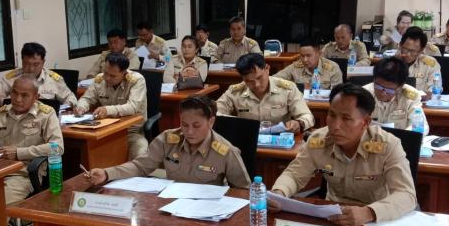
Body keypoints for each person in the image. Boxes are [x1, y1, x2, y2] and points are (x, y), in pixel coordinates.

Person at [270, 83, 417, 226]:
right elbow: (294, 175)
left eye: (346, 118)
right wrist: (279, 193)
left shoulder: (388, 145)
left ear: (365, 122)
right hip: (333, 215)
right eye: (332, 115)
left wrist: (369, 213)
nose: (335, 126)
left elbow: (406, 195)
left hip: (376, 220)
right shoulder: (318, 140)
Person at [85, 96, 251, 188]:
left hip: (208, 212)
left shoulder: (225, 151)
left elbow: (243, 191)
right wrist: (107, 173)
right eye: (184, 124)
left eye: (196, 126)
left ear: (211, 122)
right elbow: (140, 166)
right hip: (172, 205)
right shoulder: (168, 139)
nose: (189, 132)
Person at [0, 76, 64, 204]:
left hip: (24, 174)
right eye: (14, 93)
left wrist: (19, 152)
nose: (17, 99)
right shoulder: (1, 113)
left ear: (36, 97)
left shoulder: (46, 115)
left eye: (24, 95)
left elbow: (57, 147)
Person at [216, 53, 314, 134]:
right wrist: (233, 122)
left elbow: (307, 116)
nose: (257, 85)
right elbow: (214, 112)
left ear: (267, 68)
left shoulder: (288, 89)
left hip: (279, 141)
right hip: (248, 138)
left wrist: (299, 123)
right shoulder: (235, 91)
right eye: (249, 81)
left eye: (259, 78)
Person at [76, 53, 148, 159]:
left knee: (140, 154)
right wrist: (81, 107)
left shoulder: (136, 80)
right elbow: (87, 98)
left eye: (113, 76)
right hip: (104, 132)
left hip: (130, 132)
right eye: (106, 73)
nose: (107, 78)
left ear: (124, 73)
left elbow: (132, 107)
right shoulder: (99, 79)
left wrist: (107, 110)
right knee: (86, 154)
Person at [0, 42, 77, 107]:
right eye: (27, 64)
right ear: (22, 60)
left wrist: (63, 109)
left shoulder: (53, 79)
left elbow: (70, 98)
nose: (31, 69)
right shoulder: (12, 77)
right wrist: (4, 102)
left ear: (43, 62)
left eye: (36, 64)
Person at [364, 57, 429, 134]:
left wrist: (407, 136)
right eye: (378, 86)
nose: (382, 93)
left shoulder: (411, 97)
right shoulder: (363, 94)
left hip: (400, 139)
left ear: (400, 87)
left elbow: (421, 126)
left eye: (389, 90)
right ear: (374, 79)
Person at [396, 27, 441, 99]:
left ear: (421, 50)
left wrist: (429, 93)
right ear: (400, 45)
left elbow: (435, 87)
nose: (408, 54)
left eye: (413, 51)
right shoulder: (391, 63)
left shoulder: (430, 63)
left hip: (421, 103)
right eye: (405, 49)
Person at [273, 44, 343, 89]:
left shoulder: (332, 68)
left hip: (324, 105)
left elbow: (337, 92)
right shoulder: (296, 66)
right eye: (302, 56)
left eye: (308, 55)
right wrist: (298, 86)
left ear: (319, 54)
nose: (305, 60)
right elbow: (273, 79)